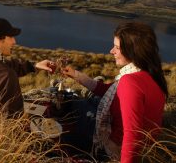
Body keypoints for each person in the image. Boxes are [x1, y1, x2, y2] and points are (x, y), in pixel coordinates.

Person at [63, 22, 168, 163]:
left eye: (117, 48)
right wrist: (76, 75)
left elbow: (133, 135)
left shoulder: (130, 82)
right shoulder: (149, 73)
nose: (112, 51)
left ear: (133, 50)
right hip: (144, 147)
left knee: (62, 137)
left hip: (113, 149)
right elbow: (107, 91)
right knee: (80, 105)